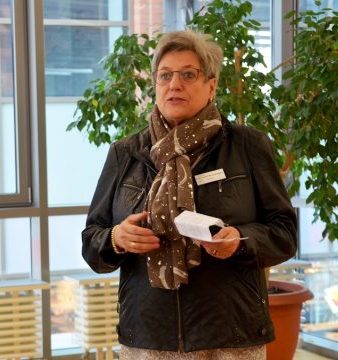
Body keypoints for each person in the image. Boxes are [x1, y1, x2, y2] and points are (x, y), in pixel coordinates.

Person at [82, 30, 297, 359]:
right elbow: (92, 241)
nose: (174, 84)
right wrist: (116, 238)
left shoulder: (247, 146)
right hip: (148, 335)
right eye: (165, 75)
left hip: (230, 333)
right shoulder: (125, 153)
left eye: (188, 74)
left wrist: (239, 240)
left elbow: (284, 232)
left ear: (211, 86)